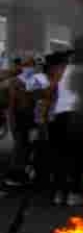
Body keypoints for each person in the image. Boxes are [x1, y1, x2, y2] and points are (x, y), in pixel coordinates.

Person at [47, 50, 83, 207]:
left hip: (59, 116)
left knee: (59, 156)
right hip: (76, 116)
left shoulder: (61, 70)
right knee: (76, 156)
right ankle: (74, 193)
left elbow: (51, 91)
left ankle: (58, 194)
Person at [7, 56, 48, 187]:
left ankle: (23, 173)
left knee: (28, 146)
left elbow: (38, 99)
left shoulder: (32, 80)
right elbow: (13, 104)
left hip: (28, 118)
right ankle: (15, 175)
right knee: (21, 146)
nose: (31, 68)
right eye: (29, 66)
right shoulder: (16, 82)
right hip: (21, 118)